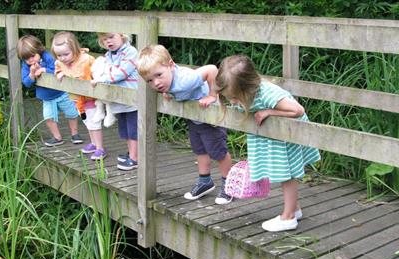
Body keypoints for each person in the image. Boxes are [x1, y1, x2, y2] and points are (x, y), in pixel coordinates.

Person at [215, 55, 321, 232]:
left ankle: (288, 218)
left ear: (247, 86)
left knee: (288, 174)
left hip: (289, 134)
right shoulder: (246, 93)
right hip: (276, 137)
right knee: (283, 171)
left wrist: (269, 112)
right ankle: (294, 209)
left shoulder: (268, 93)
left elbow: (298, 110)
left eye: (234, 97)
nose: (232, 101)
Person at [137, 44, 233, 205]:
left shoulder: (186, 80)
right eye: (150, 80)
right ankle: (205, 182)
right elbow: (171, 86)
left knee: (219, 153)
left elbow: (211, 70)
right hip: (195, 119)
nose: (156, 83)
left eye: (159, 75)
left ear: (171, 65)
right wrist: (168, 92)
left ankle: (229, 186)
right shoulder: (168, 81)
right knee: (200, 150)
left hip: (210, 120)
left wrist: (212, 95)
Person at [16, 35, 83, 147]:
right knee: (48, 118)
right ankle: (57, 137)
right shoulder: (26, 65)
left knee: (72, 113)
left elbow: (59, 69)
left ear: (39, 50)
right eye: (27, 58)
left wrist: (44, 70)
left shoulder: (47, 56)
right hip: (46, 97)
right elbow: (26, 83)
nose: (30, 60)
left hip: (61, 93)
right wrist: (32, 74)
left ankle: (75, 134)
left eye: (32, 56)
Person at [51, 31, 106, 160]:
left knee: (94, 122)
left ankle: (100, 148)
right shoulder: (61, 63)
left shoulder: (86, 60)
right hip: (77, 100)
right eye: (59, 55)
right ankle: (93, 143)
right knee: (87, 121)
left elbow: (98, 70)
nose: (63, 58)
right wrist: (59, 73)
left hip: (91, 98)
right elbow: (58, 68)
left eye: (66, 54)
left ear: (75, 49)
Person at [92, 32, 139, 170]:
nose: (108, 41)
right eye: (104, 39)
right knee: (124, 129)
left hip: (131, 98)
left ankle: (135, 158)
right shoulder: (108, 55)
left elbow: (122, 72)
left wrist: (102, 78)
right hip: (118, 99)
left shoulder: (130, 52)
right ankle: (131, 153)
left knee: (133, 130)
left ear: (122, 35)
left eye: (111, 37)